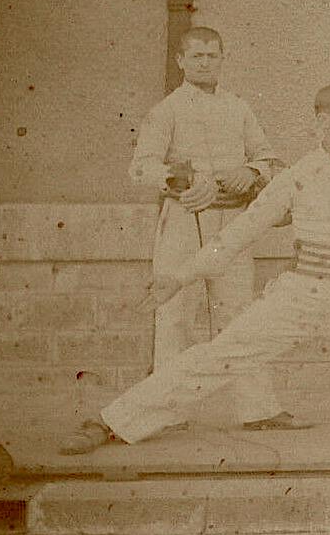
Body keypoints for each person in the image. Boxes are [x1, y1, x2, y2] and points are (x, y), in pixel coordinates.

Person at [57, 83, 330, 455]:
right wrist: (180, 276)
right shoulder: (296, 177)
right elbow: (238, 235)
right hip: (302, 296)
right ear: (324, 121)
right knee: (219, 356)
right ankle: (112, 422)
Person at [128, 26, 301, 431]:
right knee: (175, 313)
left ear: (223, 59)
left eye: (213, 56)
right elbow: (141, 166)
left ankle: (257, 408)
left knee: (240, 312)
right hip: (186, 220)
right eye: (198, 56)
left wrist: (250, 170)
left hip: (232, 221)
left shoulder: (239, 108)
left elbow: (266, 156)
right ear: (182, 61)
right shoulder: (166, 110)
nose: (206, 63)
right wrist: (182, 180)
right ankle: (167, 410)